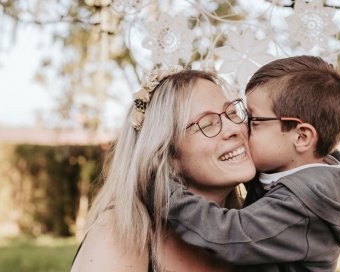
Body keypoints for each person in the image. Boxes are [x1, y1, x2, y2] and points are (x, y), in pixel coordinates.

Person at [167, 55, 340, 271]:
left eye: (255, 120)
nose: (242, 126)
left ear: (302, 137)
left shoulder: (300, 206)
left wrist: (165, 192)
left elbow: (229, 234)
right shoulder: (297, 168)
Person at [70, 67, 256, 272]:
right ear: (167, 154)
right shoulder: (122, 231)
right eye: (208, 123)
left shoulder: (254, 227)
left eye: (232, 112)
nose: (234, 129)